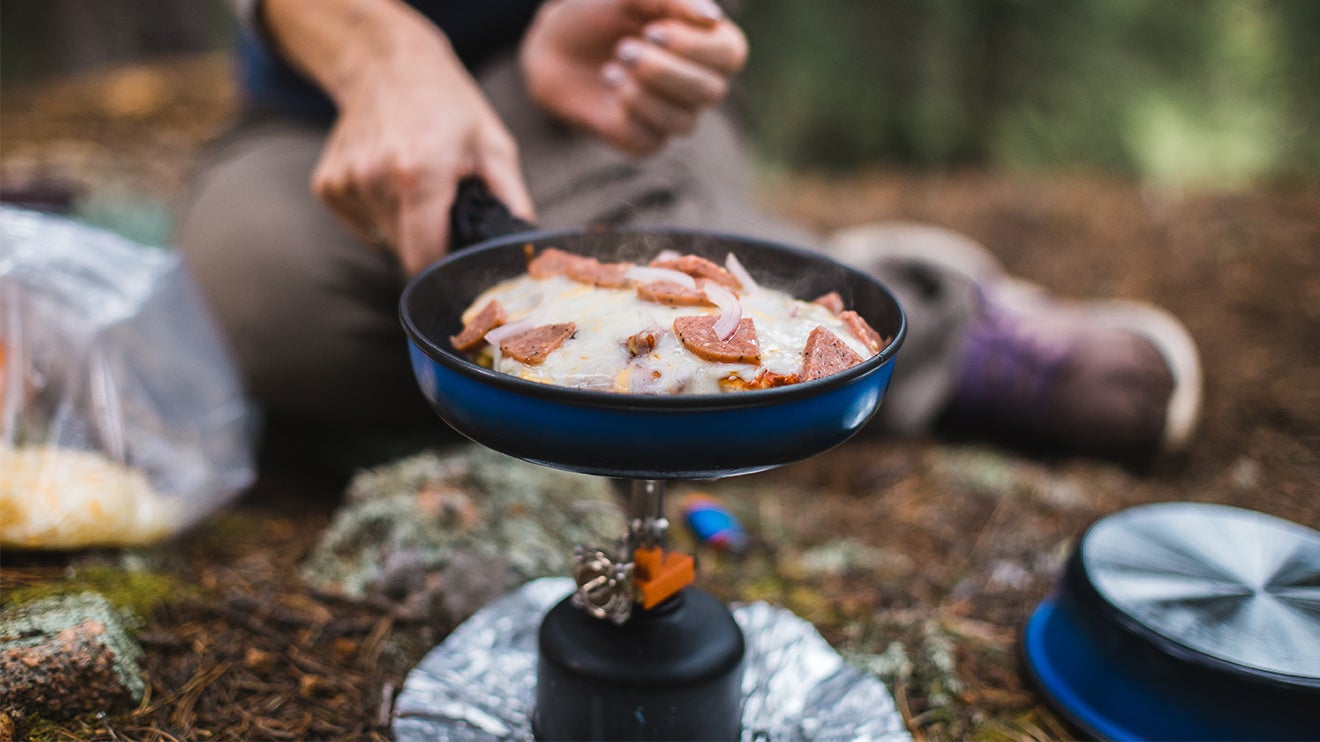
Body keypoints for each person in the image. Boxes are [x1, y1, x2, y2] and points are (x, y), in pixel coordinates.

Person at [178, 0, 1201, 469]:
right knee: (266, 297)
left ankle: (932, 332)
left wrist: (642, 21)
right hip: (314, 101)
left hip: (585, 81)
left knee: (658, 251)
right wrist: (377, 50)